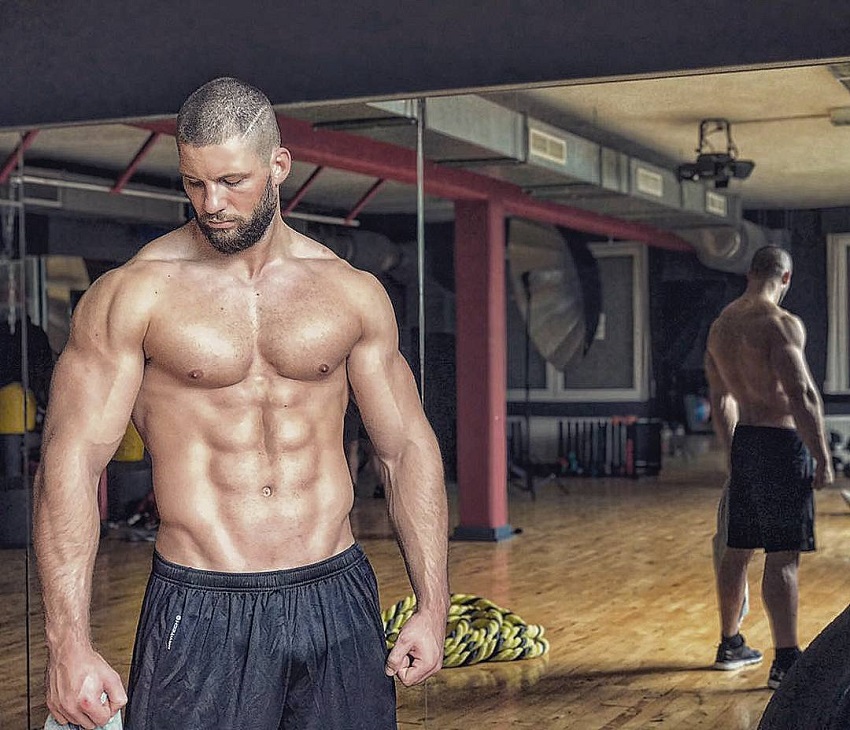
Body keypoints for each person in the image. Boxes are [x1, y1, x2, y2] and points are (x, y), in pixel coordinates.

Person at [33, 77, 450, 730]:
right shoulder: (134, 295)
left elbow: (405, 449)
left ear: (280, 166)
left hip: (336, 594)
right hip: (201, 608)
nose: (213, 204)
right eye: (195, 183)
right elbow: (69, 465)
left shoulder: (350, 292)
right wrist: (68, 646)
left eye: (232, 181)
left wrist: (433, 604)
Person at [704, 245, 833, 689]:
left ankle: (730, 643)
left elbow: (719, 399)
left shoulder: (722, 326)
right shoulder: (779, 324)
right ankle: (785, 660)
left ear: (750, 273)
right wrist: (821, 455)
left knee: (737, 551)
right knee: (783, 557)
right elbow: (802, 394)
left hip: (747, 441)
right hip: (782, 443)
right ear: (786, 278)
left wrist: (731, 453)